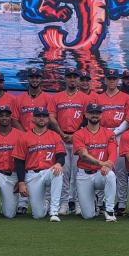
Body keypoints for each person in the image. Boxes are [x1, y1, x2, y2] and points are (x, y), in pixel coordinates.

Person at [91, 68, 129, 215]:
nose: (112, 81)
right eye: (109, 78)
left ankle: (121, 203)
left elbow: (128, 120)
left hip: (119, 134)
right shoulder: (98, 98)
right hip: (101, 134)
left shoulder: (126, 98)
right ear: (105, 80)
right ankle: (100, 201)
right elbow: (94, 117)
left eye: (114, 78)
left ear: (118, 80)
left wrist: (114, 133)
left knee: (121, 170)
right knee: (101, 168)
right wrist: (105, 133)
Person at [14, 106, 65, 221]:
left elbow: (61, 156)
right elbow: (19, 161)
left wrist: (58, 164)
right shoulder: (24, 137)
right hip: (32, 175)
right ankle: (46, 204)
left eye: (44, 116)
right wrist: (21, 182)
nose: (41, 118)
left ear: (48, 119)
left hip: (49, 171)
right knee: (38, 215)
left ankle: (54, 211)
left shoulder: (55, 136)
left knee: (58, 172)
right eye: (38, 116)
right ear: (33, 118)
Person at [53, 67, 91, 214]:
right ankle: (63, 203)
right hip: (61, 138)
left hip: (78, 139)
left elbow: (88, 118)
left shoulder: (85, 98)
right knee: (63, 172)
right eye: (69, 76)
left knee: (78, 173)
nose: (72, 79)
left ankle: (78, 203)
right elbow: (51, 117)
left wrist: (76, 134)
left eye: (75, 77)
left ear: (78, 80)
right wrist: (61, 133)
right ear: (65, 79)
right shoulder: (57, 97)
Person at [72, 102, 118, 221]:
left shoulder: (109, 133)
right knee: (88, 216)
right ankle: (95, 201)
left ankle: (109, 210)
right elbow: (83, 155)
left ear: (101, 115)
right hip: (84, 174)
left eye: (97, 113)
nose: (94, 115)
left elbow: (113, 152)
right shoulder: (78, 134)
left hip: (100, 173)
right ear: (86, 115)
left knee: (111, 175)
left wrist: (108, 165)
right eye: (91, 113)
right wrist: (101, 163)